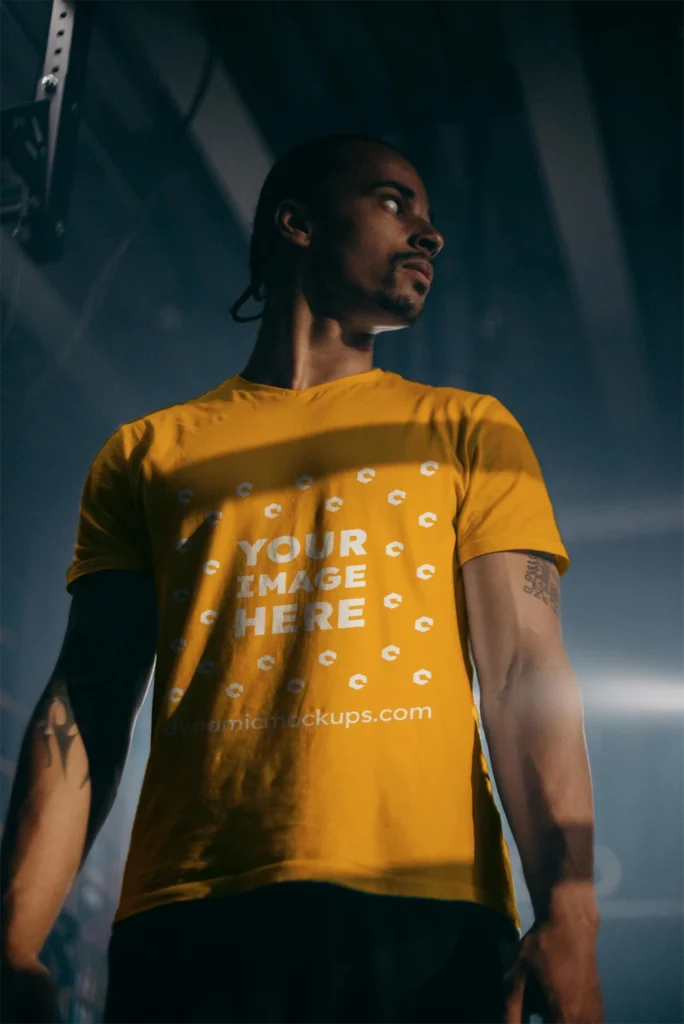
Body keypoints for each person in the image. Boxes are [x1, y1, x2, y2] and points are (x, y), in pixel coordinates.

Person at [0, 134, 604, 1023]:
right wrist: (13, 940)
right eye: (396, 203)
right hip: (190, 919)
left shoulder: (470, 430)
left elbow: (523, 677)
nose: (430, 235)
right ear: (297, 224)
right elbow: (87, 700)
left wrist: (571, 913)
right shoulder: (144, 454)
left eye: (433, 219)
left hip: (422, 918)